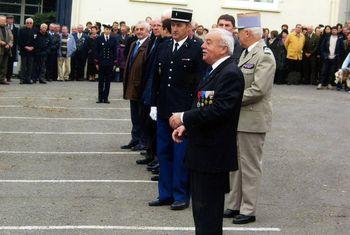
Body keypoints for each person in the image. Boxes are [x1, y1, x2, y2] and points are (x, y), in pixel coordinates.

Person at [170, 28, 244, 235]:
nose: (202, 45)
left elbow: (220, 110)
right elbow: (205, 106)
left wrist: (183, 117)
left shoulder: (230, 73)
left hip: (212, 156)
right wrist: (188, 127)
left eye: (209, 42)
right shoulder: (214, 70)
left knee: (208, 216)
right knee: (202, 215)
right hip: (202, 152)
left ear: (223, 48)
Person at [148, 8, 206, 211]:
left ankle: (181, 195)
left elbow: (202, 84)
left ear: (189, 27)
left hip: (183, 113)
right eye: (173, 25)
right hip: (164, 109)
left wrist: (194, 113)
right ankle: (165, 194)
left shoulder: (197, 48)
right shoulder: (164, 47)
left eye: (180, 25)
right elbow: (156, 77)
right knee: (163, 153)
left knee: (181, 155)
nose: (175, 29)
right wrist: (153, 104)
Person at [224, 12, 276, 225]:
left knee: (250, 166)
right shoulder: (247, 53)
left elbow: (258, 90)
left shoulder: (264, 55)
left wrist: (231, 99)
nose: (237, 36)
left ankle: (248, 209)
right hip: (239, 118)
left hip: (252, 120)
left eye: (238, 33)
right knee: (235, 165)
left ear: (247, 33)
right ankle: (234, 204)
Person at [136, 18, 163, 165]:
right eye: (153, 26)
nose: (156, 28)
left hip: (156, 89)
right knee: (147, 122)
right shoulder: (154, 41)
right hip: (148, 88)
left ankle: (156, 157)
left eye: (159, 26)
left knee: (154, 125)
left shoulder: (163, 42)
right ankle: (150, 153)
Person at [121, 21, 151, 151]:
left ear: (147, 31)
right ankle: (135, 139)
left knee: (142, 116)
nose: (139, 31)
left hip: (141, 87)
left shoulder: (148, 45)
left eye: (142, 29)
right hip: (132, 85)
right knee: (134, 116)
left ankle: (143, 141)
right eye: (137, 29)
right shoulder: (134, 44)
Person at [95, 24, 117, 103]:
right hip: (101, 62)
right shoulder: (99, 38)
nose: (107, 31)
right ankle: (100, 98)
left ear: (110, 30)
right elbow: (96, 51)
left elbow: (115, 51)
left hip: (110, 63)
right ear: (104, 30)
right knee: (101, 81)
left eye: (108, 29)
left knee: (108, 81)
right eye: (106, 29)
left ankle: (106, 98)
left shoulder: (113, 39)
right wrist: (96, 63)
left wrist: (115, 63)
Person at [18, 17, 35, 84]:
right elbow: (19, 40)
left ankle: (28, 79)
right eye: (27, 23)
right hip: (24, 50)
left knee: (30, 66)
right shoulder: (21, 30)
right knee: (23, 66)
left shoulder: (35, 31)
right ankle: (22, 79)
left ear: (32, 24)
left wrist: (33, 47)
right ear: (25, 23)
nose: (29, 24)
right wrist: (25, 47)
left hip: (32, 51)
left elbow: (37, 41)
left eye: (30, 23)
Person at [0, 15, 13, 85]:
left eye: (4, 21)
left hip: (6, 49)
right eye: (2, 21)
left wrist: (9, 44)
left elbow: (11, 37)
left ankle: (2, 79)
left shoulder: (7, 28)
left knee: (4, 65)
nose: (3, 22)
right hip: (0, 48)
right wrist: (0, 42)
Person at [5, 15, 18, 82]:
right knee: (3, 62)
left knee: (10, 63)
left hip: (12, 48)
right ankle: (2, 76)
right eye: (9, 19)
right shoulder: (3, 27)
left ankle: (8, 77)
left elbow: (16, 39)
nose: (10, 20)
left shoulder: (16, 29)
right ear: (6, 20)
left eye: (11, 19)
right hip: (4, 47)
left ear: (13, 20)